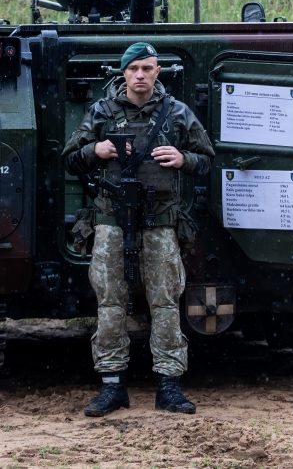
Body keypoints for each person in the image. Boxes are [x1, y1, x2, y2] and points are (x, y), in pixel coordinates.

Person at [62, 42, 215, 417]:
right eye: (134, 69)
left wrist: (183, 159)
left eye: (148, 68)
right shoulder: (101, 112)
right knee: (111, 302)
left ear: (157, 71)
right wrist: (94, 152)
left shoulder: (176, 113)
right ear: (124, 72)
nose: (141, 75)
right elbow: (69, 159)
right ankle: (112, 384)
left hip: (160, 220)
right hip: (111, 220)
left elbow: (207, 160)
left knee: (165, 302)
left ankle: (169, 384)